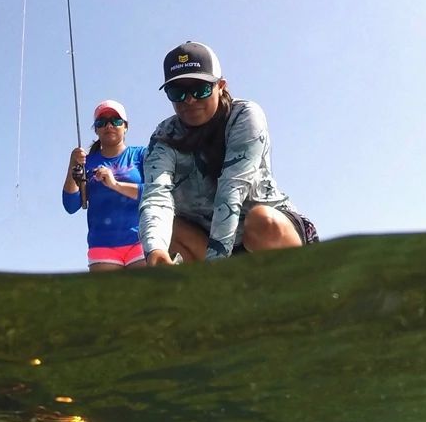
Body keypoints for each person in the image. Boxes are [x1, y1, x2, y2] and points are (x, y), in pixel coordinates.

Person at [139, 42, 318, 265]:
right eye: (178, 92)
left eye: (200, 89)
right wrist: (155, 251)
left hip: (263, 233)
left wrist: (218, 272)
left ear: (221, 85)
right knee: (170, 229)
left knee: (263, 221)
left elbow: (231, 191)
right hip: (206, 240)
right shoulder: (164, 135)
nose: (189, 100)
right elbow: (156, 196)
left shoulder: (245, 116)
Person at [62, 100, 147, 271]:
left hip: (141, 241)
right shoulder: (86, 163)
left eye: (116, 121)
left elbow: (155, 193)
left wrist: (115, 184)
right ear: (96, 129)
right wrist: (72, 165)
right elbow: (71, 206)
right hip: (102, 246)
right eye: (102, 122)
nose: (109, 126)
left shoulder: (141, 154)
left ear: (126, 127)